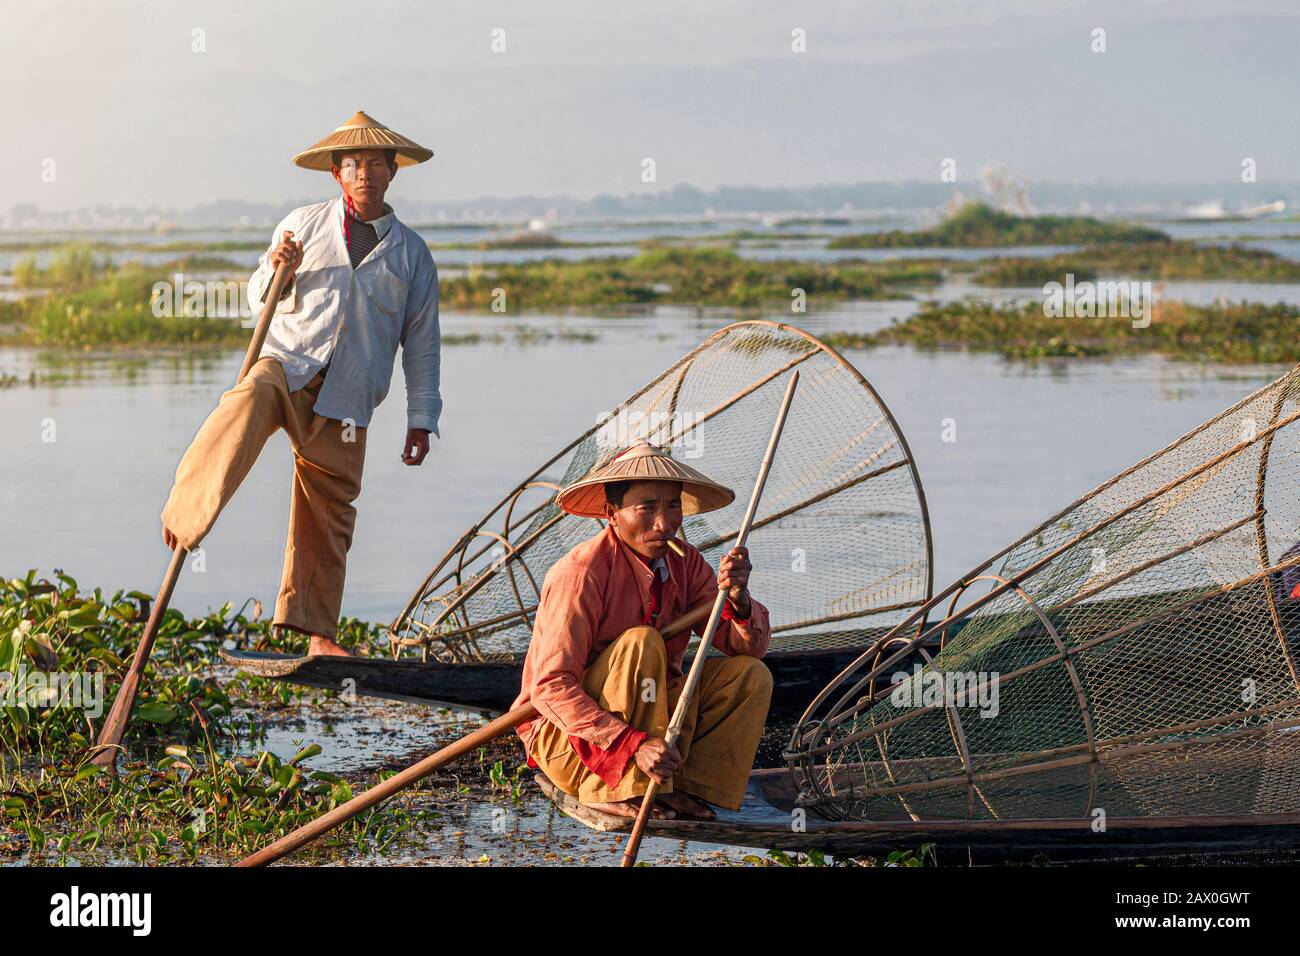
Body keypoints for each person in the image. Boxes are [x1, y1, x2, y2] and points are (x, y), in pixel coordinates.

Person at [160, 111, 441, 657]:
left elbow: (422, 344)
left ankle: (317, 634)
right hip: (288, 367)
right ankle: (186, 509)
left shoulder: (412, 255)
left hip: (349, 396)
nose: (364, 174)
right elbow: (258, 299)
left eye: (375, 165)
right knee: (249, 397)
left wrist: (421, 418)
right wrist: (275, 268)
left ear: (392, 173)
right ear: (337, 174)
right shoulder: (303, 226)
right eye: (353, 165)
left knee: (331, 507)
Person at [512, 441, 773, 821]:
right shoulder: (581, 572)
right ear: (612, 513)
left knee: (750, 675)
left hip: (654, 733)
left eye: (672, 506)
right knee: (642, 641)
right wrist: (632, 744)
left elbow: (747, 647)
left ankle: (682, 788)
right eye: (646, 508)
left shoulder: (687, 564)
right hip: (570, 742)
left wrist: (739, 598)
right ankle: (607, 788)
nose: (664, 523)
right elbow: (551, 688)